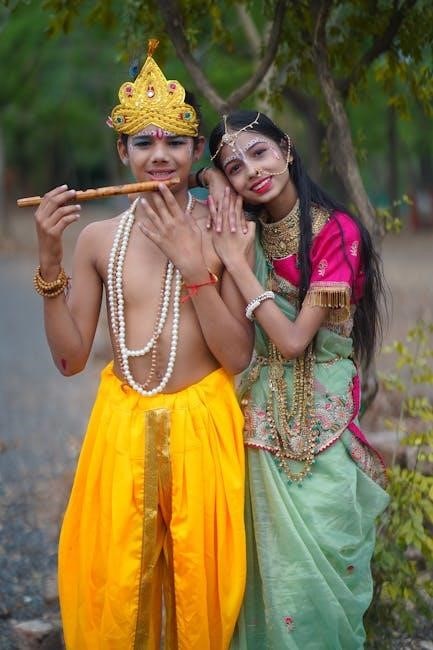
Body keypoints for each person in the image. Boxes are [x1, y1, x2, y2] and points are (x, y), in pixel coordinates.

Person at [33, 41, 254, 649]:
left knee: (199, 592)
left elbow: (238, 357)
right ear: (121, 152)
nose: (159, 156)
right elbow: (70, 360)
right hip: (122, 428)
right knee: (115, 587)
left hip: (203, 428)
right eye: (143, 143)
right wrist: (50, 260)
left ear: (196, 150)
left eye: (175, 143)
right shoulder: (98, 239)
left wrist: (194, 263)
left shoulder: (226, 227)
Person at [201, 110, 390, 649]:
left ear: (286, 148)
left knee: (322, 556)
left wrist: (238, 266)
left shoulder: (335, 231)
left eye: (259, 152)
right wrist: (212, 177)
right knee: (264, 568)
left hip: (323, 416)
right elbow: (197, 176)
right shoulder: (249, 231)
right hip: (256, 415)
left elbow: (290, 341)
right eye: (236, 167)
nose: (252, 172)